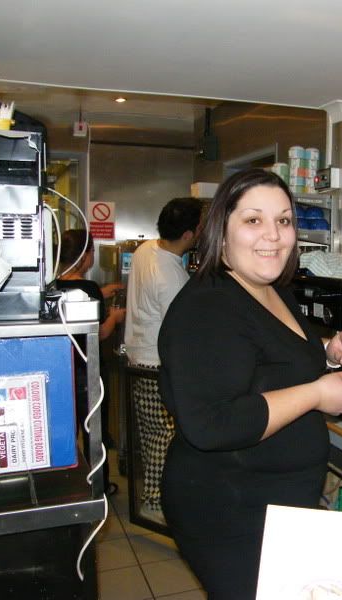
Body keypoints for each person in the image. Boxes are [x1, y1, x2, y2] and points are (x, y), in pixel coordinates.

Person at [158, 168, 342, 599]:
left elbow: (268, 355)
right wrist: (317, 394)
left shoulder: (271, 289)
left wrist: (329, 351)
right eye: (253, 219)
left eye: (284, 220)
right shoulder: (207, 306)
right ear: (222, 230)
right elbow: (211, 424)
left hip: (274, 503)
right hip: (229, 509)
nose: (272, 235)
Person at [123, 197, 203, 517]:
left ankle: (153, 497)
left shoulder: (146, 250)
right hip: (157, 364)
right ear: (189, 234)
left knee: (151, 433)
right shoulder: (171, 277)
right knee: (163, 436)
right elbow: (180, 331)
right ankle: (155, 503)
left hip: (138, 357)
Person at [56, 229, 126, 495]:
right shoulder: (89, 288)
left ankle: (68, 487)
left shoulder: (52, 285)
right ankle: (98, 487)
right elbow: (102, 332)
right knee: (94, 434)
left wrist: (102, 293)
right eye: (92, 251)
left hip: (63, 371)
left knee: (68, 431)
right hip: (89, 370)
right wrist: (115, 317)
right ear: (84, 257)